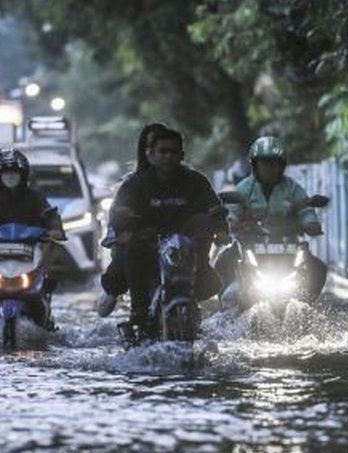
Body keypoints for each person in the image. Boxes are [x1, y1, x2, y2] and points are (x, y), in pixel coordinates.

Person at [96, 126, 227, 334]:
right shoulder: (134, 185)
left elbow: (213, 210)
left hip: (186, 250)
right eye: (163, 152)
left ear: (182, 155)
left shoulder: (196, 181)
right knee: (128, 256)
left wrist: (220, 230)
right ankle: (138, 311)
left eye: (174, 152)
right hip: (145, 245)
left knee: (209, 274)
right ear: (150, 154)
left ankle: (197, 286)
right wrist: (128, 232)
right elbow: (120, 215)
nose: (168, 157)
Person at [215, 135, 327, 300]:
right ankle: (226, 311)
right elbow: (233, 212)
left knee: (318, 267)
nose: (269, 168)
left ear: (281, 165)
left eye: (274, 163)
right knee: (222, 262)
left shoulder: (293, 188)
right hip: (249, 242)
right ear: (255, 165)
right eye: (264, 163)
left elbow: (305, 209)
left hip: (289, 243)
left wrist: (311, 223)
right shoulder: (244, 188)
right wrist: (232, 223)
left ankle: (309, 304)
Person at [96, 122, 168, 317]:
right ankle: (126, 302)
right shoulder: (130, 184)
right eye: (149, 147)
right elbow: (117, 219)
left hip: (172, 241)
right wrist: (126, 232)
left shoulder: (186, 181)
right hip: (139, 242)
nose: (154, 153)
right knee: (126, 257)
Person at [0, 148, 65, 246]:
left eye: (14, 172)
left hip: (32, 253)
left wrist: (55, 229)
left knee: (57, 256)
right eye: (5, 173)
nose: (10, 176)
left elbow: (50, 215)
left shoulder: (36, 197)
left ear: (23, 175)